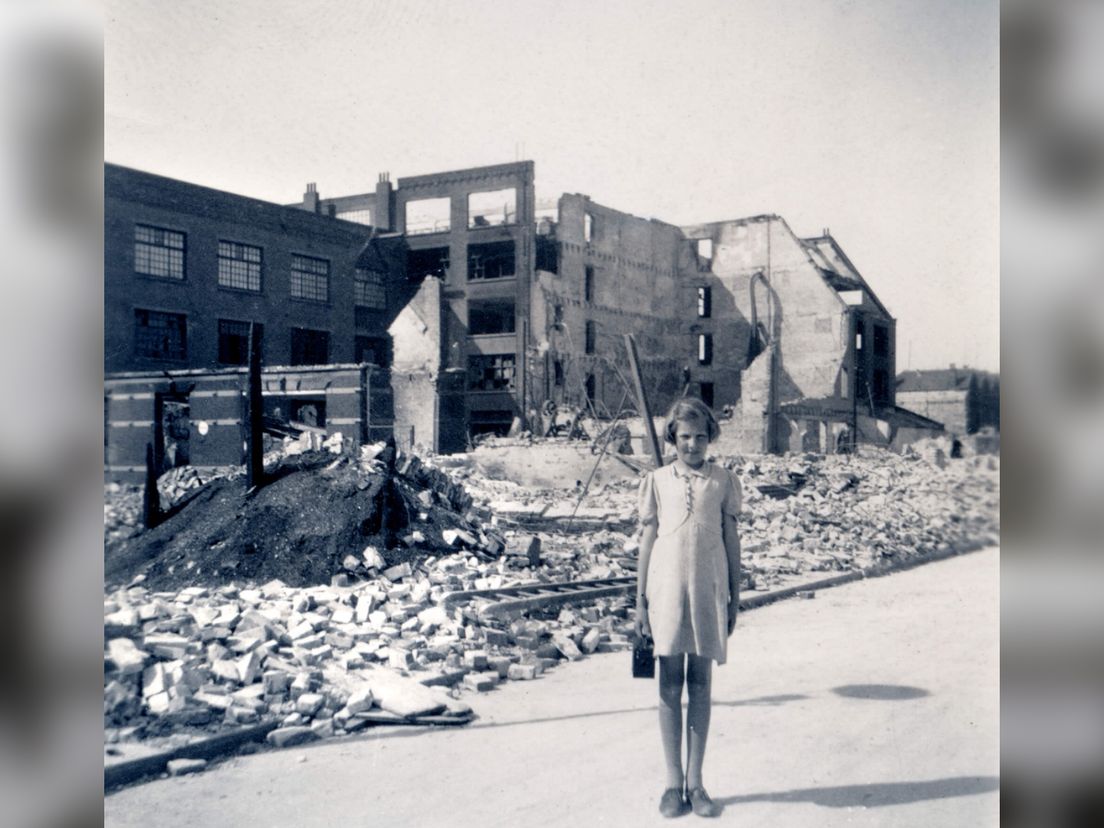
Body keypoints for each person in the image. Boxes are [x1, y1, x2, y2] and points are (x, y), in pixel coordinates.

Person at [635, 396, 742, 818]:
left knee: (700, 684)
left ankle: (696, 784)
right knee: (667, 686)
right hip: (664, 594)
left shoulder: (723, 482)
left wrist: (736, 593)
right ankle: (671, 783)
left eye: (700, 437)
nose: (692, 445)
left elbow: (732, 541)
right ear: (672, 438)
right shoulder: (657, 481)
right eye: (684, 437)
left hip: (707, 591)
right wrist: (639, 602)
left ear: (710, 437)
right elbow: (647, 542)